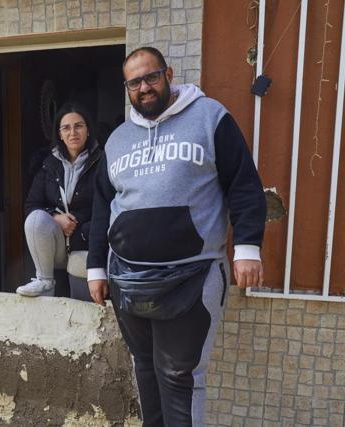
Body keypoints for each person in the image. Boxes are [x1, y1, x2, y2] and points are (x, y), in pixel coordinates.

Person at [87, 47, 266, 426]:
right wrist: (95, 269)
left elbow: (244, 185)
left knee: (181, 379)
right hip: (127, 281)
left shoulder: (210, 117)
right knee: (146, 371)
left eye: (151, 77)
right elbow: (103, 207)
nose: (144, 87)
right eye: (134, 82)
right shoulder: (118, 139)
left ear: (168, 74)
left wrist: (248, 247)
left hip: (192, 278)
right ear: (127, 88)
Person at [16, 103, 103, 299]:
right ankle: (44, 281)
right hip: (55, 245)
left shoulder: (102, 163)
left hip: (84, 242)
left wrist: (79, 230)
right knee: (36, 218)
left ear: (88, 130)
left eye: (79, 126)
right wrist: (56, 218)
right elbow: (31, 205)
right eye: (66, 128)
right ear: (60, 134)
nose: (73, 132)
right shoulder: (49, 165)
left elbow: (105, 208)